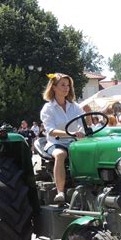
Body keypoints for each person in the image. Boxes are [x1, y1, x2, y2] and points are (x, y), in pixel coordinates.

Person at [40, 73, 84, 203]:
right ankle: (60, 192)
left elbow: (82, 124)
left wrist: (81, 132)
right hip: (56, 142)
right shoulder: (48, 108)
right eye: (63, 85)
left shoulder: (75, 106)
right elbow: (51, 131)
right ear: (54, 87)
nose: (66, 88)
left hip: (73, 142)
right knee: (60, 154)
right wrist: (71, 133)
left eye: (68, 85)